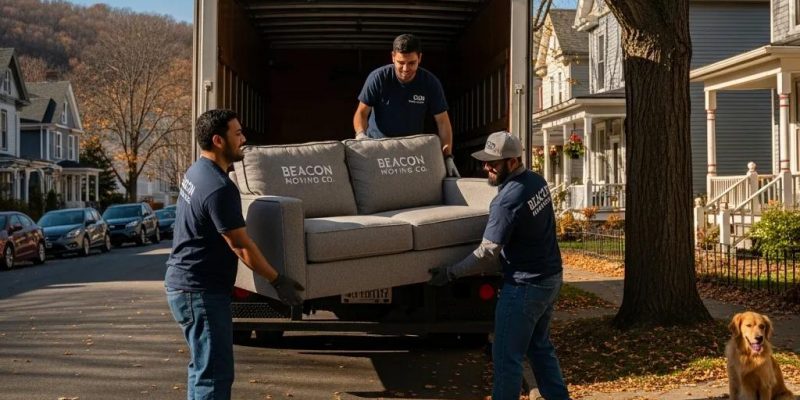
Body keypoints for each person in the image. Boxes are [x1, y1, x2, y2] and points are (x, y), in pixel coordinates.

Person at [164, 109, 304, 400]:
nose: (244, 139)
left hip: (186, 286)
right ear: (218, 140)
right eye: (237, 133)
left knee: (203, 369)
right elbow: (239, 245)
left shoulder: (196, 171)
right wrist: (277, 281)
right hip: (199, 292)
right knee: (214, 376)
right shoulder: (218, 188)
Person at [428, 131, 570, 400]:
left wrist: (450, 272)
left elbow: (487, 252)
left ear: (514, 162)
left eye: (493, 163)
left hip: (525, 286)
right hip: (550, 278)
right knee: (539, 347)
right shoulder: (536, 182)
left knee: (506, 357)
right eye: (485, 161)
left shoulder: (507, 200)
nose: (486, 168)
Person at [353, 33, 460, 177]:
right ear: (393, 57)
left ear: (420, 58)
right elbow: (361, 113)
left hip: (411, 153)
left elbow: (442, 122)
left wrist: (448, 157)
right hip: (377, 147)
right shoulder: (378, 78)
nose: (405, 69)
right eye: (400, 63)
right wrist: (361, 137)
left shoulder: (430, 83)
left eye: (411, 63)